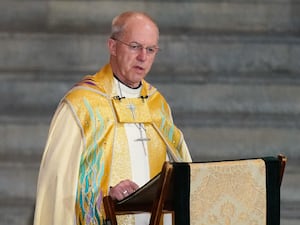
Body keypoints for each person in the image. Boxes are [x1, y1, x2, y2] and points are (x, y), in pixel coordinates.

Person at [33, 11, 192, 225]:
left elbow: (185, 173)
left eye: (151, 49)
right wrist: (104, 197)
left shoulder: (157, 105)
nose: (143, 57)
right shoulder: (82, 104)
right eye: (135, 46)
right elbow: (59, 182)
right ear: (113, 46)